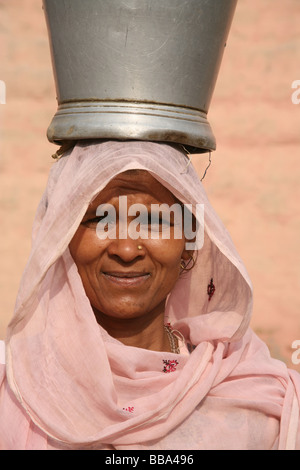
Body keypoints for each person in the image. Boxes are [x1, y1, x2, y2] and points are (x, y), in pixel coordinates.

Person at [0, 140, 299, 450]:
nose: (127, 250)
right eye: (98, 220)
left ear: (188, 242)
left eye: (154, 221)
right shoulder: (18, 396)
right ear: (60, 238)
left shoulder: (256, 397)